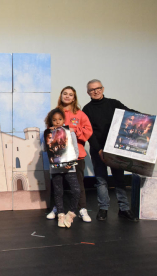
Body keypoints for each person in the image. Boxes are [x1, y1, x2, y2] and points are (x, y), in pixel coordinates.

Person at [82, 79, 139, 222]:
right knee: (101, 180)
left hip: (116, 149)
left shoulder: (114, 104)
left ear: (103, 88)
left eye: (98, 88)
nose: (95, 91)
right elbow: (89, 133)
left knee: (119, 179)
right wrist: (99, 150)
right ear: (88, 92)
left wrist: (155, 121)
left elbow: (131, 114)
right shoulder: (87, 109)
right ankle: (103, 209)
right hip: (98, 150)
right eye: (92, 90)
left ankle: (124, 209)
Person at [47, 86, 93, 222]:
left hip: (76, 156)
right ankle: (56, 208)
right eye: (65, 94)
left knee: (78, 185)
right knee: (57, 185)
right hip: (58, 157)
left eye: (70, 94)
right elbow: (48, 132)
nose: (67, 96)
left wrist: (75, 130)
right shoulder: (55, 113)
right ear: (61, 96)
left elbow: (88, 131)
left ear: (74, 97)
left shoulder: (80, 114)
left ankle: (82, 209)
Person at [43, 108, 81, 228]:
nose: (57, 122)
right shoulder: (48, 133)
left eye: (60, 119)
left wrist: (71, 161)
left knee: (76, 190)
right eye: (54, 120)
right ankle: (60, 214)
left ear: (63, 120)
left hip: (69, 167)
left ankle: (71, 213)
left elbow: (75, 149)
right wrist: (50, 137)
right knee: (58, 192)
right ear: (51, 121)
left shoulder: (70, 132)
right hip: (56, 168)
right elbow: (46, 150)